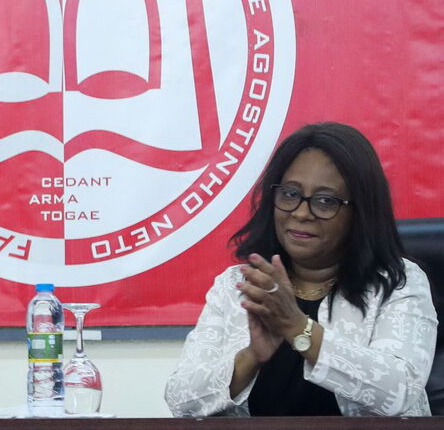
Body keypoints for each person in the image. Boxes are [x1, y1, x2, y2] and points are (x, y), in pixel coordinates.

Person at [164, 122, 437, 416]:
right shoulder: (237, 286)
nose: (302, 213)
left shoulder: (398, 283)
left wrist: (298, 329)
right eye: (290, 194)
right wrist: (251, 357)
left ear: (361, 211)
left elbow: (401, 392)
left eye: (325, 201)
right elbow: (181, 402)